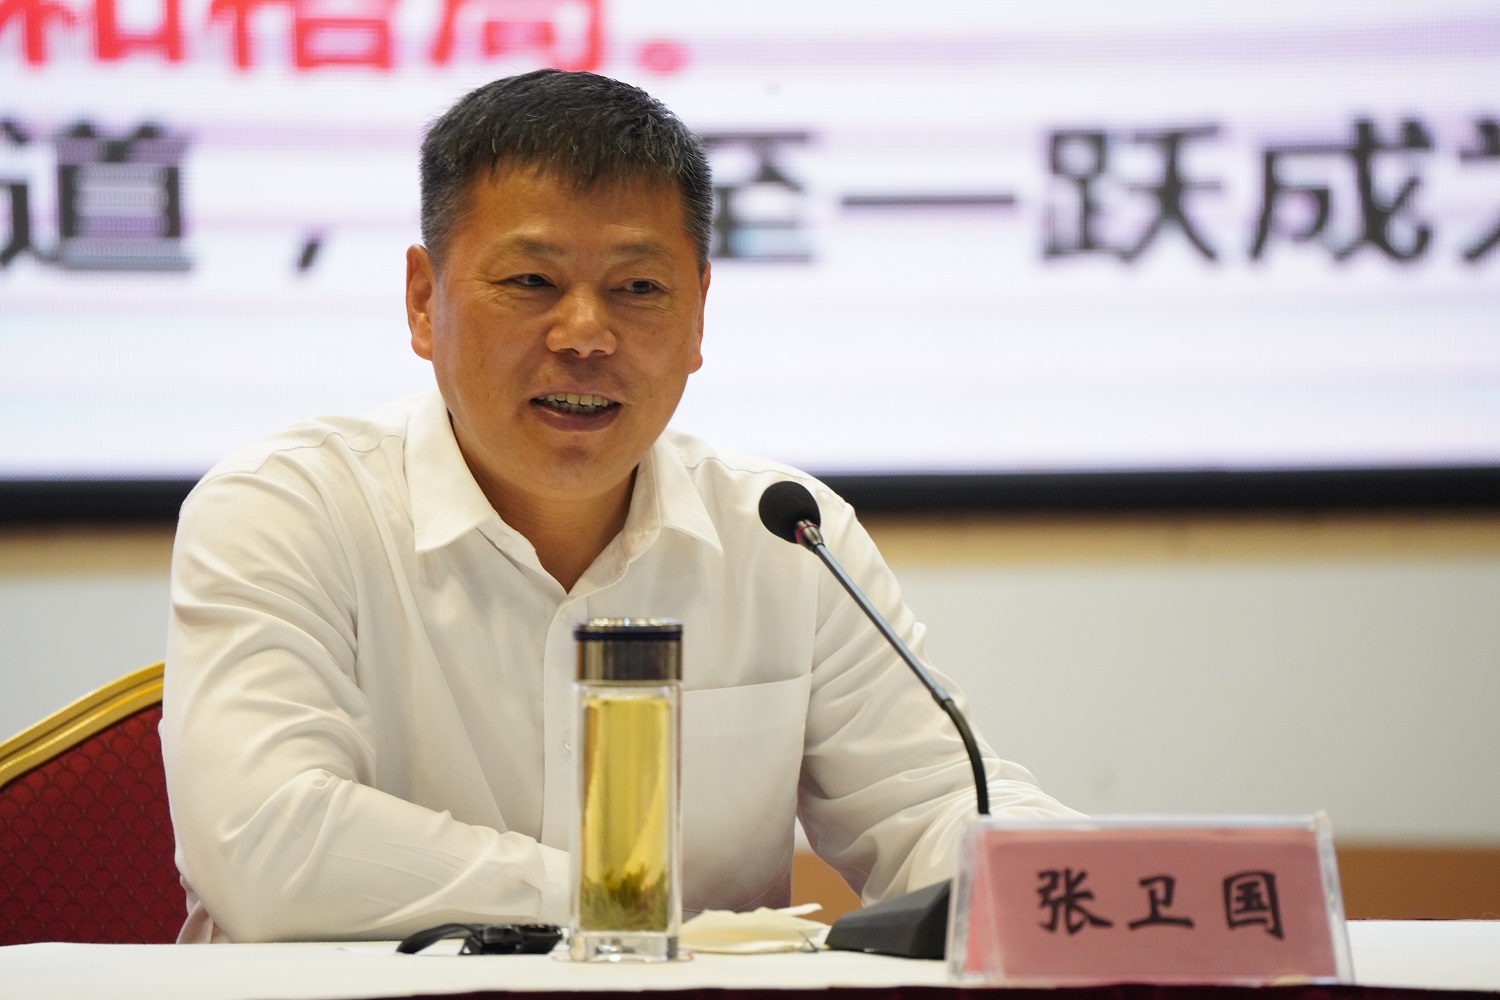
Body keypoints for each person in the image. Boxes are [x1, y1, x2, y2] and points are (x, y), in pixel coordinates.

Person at [161, 69, 1077, 944]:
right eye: (530, 282)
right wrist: (618, 902)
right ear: (422, 301)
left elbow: (937, 801)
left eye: (638, 288)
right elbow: (265, 845)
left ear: (699, 313)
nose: (586, 335)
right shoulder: (289, 512)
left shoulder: (788, 536)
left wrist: (1084, 879)